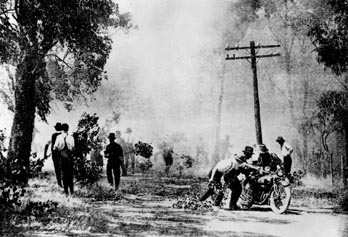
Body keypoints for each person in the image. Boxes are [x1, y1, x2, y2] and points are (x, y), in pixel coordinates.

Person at [207, 146, 255, 210]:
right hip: (221, 174)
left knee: (238, 189)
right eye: (249, 154)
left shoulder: (240, 162)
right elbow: (216, 169)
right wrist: (212, 179)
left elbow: (244, 168)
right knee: (223, 188)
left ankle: (232, 205)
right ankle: (216, 205)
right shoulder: (229, 163)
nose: (250, 157)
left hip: (231, 175)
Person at [53, 123, 75, 196]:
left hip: (62, 157)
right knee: (70, 174)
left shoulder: (59, 137)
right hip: (70, 157)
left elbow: (55, 147)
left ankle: (66, 192)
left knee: (64, 174)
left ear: (62, 129)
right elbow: (73, 148)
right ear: (68, 129)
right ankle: (71, 191)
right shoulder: (71, 137)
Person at [44, 122, 63, 187]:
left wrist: (45, 155)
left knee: (57, 168)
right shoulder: (64, 135)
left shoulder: (53, 135)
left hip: (55, 153)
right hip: (62, 153)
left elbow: (46, 144)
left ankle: (59, 183)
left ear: (55, 128)